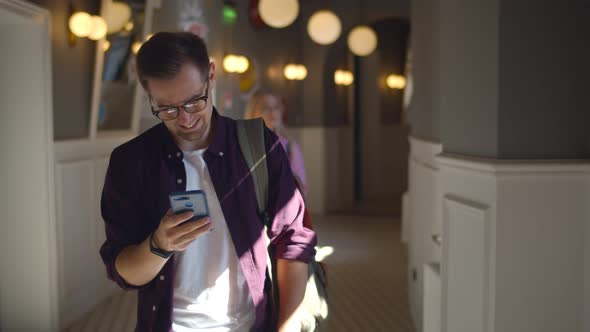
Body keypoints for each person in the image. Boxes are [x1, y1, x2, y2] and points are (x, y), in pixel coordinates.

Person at [99, 32, 316, 332]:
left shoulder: (258, 145)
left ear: (211, 76)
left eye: (194, 102)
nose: (186, 120)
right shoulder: (131, 162)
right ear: (149, 96)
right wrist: (158, 245)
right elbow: (123, 270)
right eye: (168, 109)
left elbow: (292, 242)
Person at [244, 92, 307, 196]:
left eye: (276, 108)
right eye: (266, 108)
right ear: (253, 112)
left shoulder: (288, 146)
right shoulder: (243, 145)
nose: (273, 113)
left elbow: (301, 186)